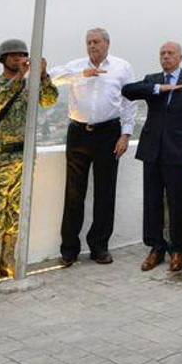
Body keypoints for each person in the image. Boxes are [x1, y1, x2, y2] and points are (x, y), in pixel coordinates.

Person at [50, 29, 135, 265]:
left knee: (105, 192)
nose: (92, 46)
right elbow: (52, 77)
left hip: (109, 133)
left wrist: (126, 134)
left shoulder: (122, 67)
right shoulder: (76, 67)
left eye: (96, 42)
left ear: (107, 43)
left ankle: (99, 246)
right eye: (88, 42)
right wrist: (81, 74)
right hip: (79, 133)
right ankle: (69, 249)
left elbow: (129, 102)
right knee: (74, 193)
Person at [0, 39, 58, 282]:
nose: (19, 59)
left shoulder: (29, 87)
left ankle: (8, 260)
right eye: (13, 56)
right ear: (2, 59)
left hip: (22, 157)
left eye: (22, 55)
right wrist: (18, 78)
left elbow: (49, 100)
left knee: (16, 210)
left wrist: (42, 76)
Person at [121, 42, 182, 273]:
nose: (166, 57)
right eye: (162, 54)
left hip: (177, 151)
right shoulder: (152, 79)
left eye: (170, 54)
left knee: (176, 202)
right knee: (152, 201)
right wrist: (158, 89)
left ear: (181, 57)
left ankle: (177, 250)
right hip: (151, 149)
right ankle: (156, 247)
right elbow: (128, 91)